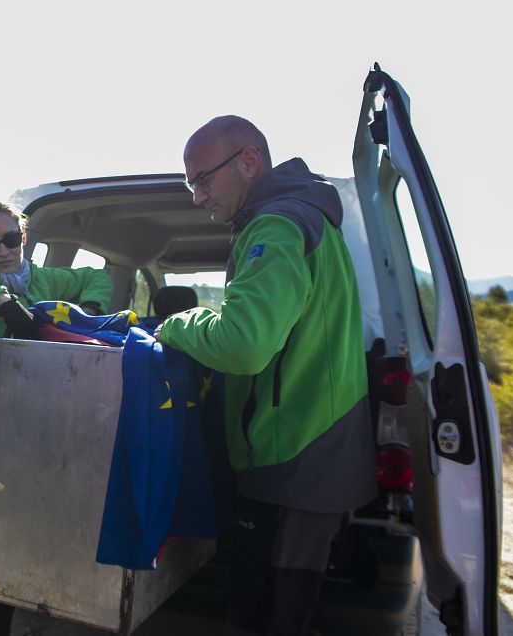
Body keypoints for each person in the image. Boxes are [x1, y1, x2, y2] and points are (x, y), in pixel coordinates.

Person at [157, 116, 377, 636]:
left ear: (249, 162)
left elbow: (243, 343)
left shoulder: (276, 226)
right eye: (192, 183)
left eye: (203, 180)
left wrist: (178, 324)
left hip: (295, 454)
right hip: (305, 450)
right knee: (282, 604)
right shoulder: (301, 217)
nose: (197, 196)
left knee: (269, 611)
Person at [0, 200, 113, 636]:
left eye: (11, 239)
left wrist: (86, 308)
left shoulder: (47, 279)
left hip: (25, 437)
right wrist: (0, 301)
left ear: (24, 236)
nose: (4, 251)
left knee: (15, 557)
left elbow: (98, 276)